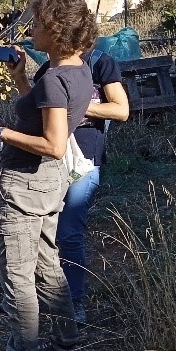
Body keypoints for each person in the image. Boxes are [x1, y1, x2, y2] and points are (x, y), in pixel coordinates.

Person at [0, 0, 96, 351]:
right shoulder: (75, 71)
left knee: (18, 276)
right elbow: (48, 117)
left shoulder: (57, 78)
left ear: (55, 29)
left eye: (38, 24)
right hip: (49, 183)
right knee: (46, 266)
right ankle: (67, 344)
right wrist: (23, 78)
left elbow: (54, 143)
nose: (31, 30)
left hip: (28, 184)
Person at [36, 48, 130, 324]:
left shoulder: (100, 62)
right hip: (51, 155)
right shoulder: (49, 66)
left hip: (85, 159)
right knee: (44, 231)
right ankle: (44, 298)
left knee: (69, 232)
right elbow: (37, 105)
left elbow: (121, 110)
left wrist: (75, 103)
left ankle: (75, 304)